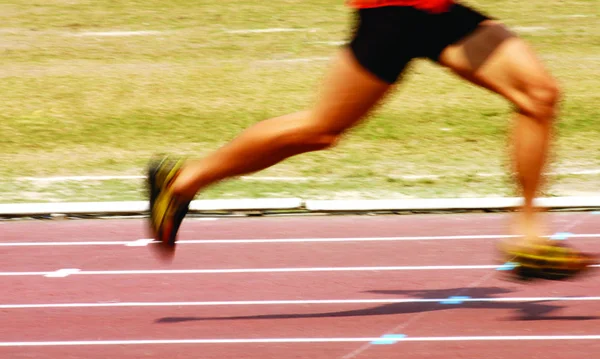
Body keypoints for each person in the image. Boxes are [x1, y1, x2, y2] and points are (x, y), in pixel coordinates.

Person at [147, 0, 594, 278]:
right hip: (393, 14)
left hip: (437, 13)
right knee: (321, 130)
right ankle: (182, 180)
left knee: (539, 94)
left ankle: (528, 234)